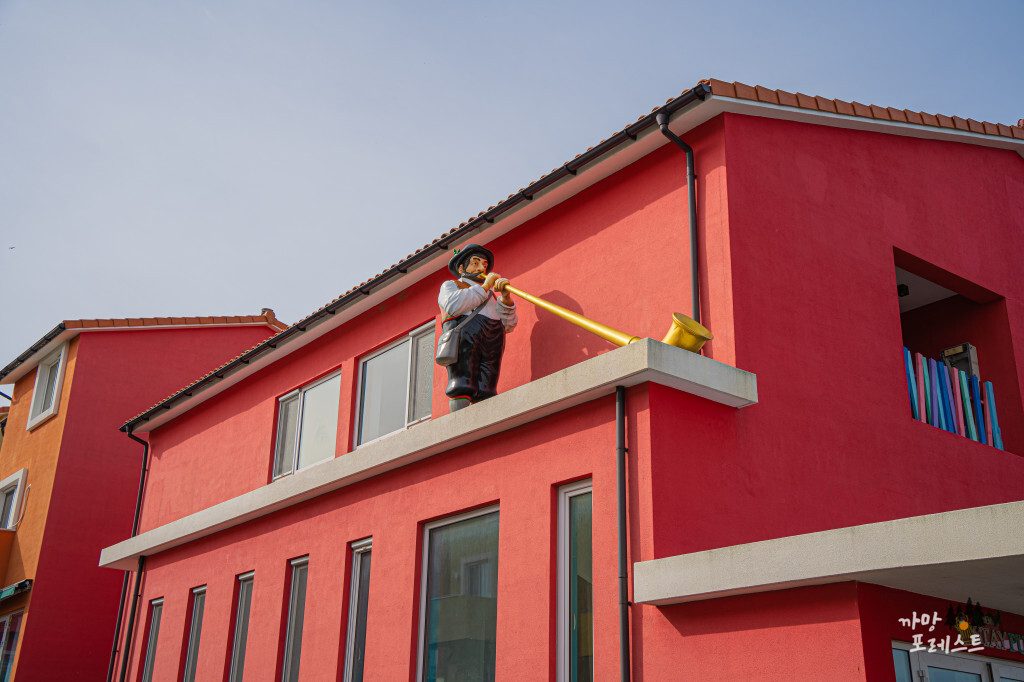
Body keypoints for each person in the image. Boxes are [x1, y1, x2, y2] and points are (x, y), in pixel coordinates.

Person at [438, 244, 517, 412]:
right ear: (461, 268)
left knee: (487, 387)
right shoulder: (451, 285)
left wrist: (505, 297)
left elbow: (509, 324)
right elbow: (454, 305)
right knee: (462, 384)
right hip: (465, 334)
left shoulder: (489, 294)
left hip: (493, 337)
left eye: (484, 265)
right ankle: (459, 424)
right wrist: (485, 286)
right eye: (475, 263)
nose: (482, 268)